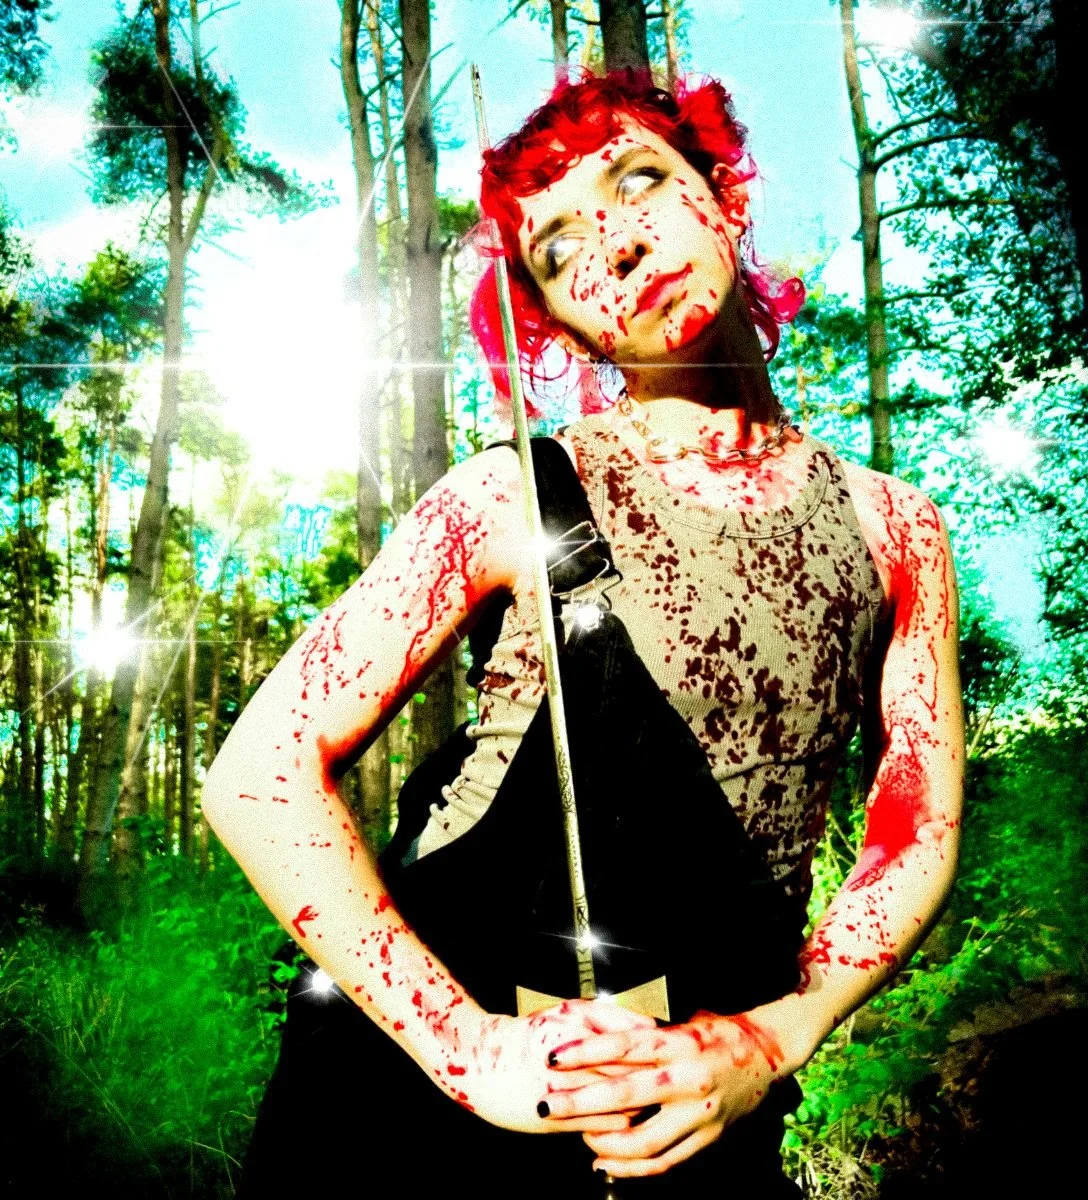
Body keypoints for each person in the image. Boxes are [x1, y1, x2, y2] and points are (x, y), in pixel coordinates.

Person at [202, 69, 964, 1190]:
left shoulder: (896, 527)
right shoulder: (512, 494)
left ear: (727, 197)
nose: (614, 243)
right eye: (558, 251)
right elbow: (259, 773)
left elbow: (915, 829)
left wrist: (772, 1039)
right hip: (412, 1120)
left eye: (640, 181)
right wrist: (467, 1050)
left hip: (696, 1110)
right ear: (560, 325)